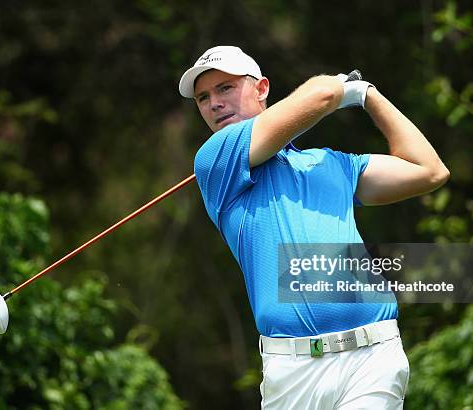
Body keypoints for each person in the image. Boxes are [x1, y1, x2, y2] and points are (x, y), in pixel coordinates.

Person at [178, 46, 449, 409]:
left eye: (225, 88)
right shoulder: (215, 161)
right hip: (291, 371)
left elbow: (429, 171)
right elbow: (322, 95)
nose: (213, 103)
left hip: (372, 358)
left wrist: (370, 96)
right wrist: (340, 88)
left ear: (261, 89)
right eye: (203, 97)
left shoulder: (331, 163)